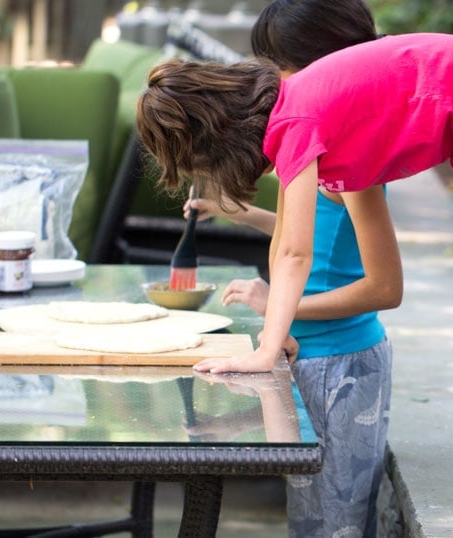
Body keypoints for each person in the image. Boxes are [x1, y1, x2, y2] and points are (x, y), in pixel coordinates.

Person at [135, 7, 453, 505]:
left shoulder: (293, 117)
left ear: (213, 134)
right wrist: (274, 313)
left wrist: (264, 351)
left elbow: (295, 253)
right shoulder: (295, 116)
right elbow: (290, 240)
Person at [184, 3, 397, 535]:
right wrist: (239, 213)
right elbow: (313, 234)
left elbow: (384, 287)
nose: (277, 84)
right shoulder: (310, 144)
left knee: (340, 524)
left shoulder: (356, 164)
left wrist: (277, 304)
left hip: (345, 364)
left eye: (283, 68)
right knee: (309, 520)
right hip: (307, 357)